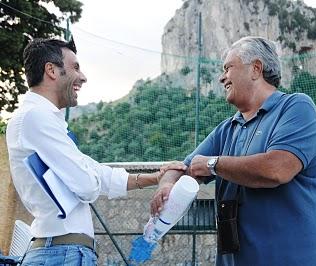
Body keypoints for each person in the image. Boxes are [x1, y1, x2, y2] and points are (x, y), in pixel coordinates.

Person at [152, 36, 316, 265]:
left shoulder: (296, 107)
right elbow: (185, 168)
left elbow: (277, 170)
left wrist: (213, 164)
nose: (222, 78)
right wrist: (167, 184)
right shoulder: (227, 129)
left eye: (228, 68)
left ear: (256, 68)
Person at [6, 38, 185, 265]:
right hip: (60, 254)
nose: (83, 77)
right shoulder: (35, 118)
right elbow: (88, 186)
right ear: (51, 70)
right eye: (75, 67)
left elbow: (95, 173)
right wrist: (87, 175)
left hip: (62, 252)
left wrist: (156, 177)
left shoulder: (45, 122)